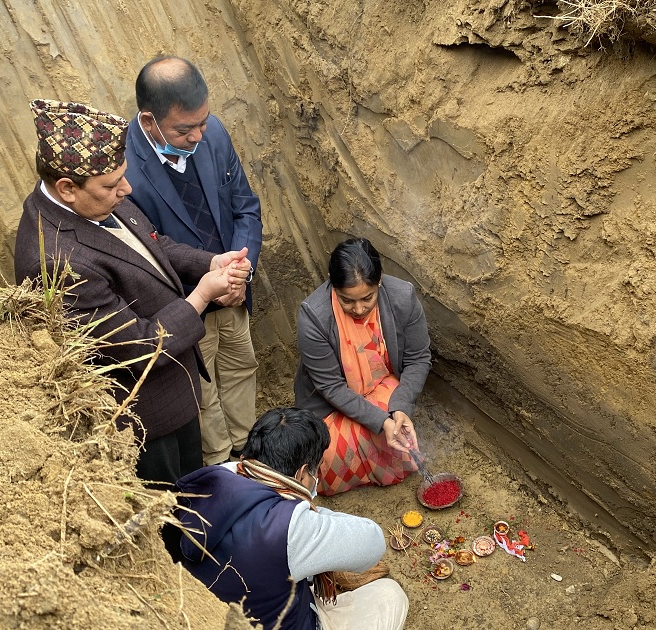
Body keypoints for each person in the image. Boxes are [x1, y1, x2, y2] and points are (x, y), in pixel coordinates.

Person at [14, 99, 251, 485]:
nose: (126, 189)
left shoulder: (97, 199)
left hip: (176, 391)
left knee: (199, 488)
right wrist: (202, 296)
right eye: (112, 184)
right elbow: (138, 346)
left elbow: (153, 246)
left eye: (122, 176)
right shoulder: (57, 260)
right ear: (67, 188)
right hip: (147, 421)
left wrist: (208, 262)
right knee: (177, 509)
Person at [124, 56, 262, 466]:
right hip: (184, 304)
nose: (199, 135)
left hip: (233, 292)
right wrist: (210, 277)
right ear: (150, 122)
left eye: (203, 122)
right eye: (185, 129)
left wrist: (241, 270)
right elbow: (151, 246)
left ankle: (249, 448)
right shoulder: (122, 169)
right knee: (201, 395)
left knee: (241, 367)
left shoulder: (213, 133)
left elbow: (246, 209)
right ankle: (222, 465)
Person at [175, 407, 409, 630]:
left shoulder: (213, 478)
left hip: (209, 618)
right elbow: (373, 542)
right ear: (301, 473)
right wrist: (309, 514)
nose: (316, 477)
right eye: (315, 470)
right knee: (390, 595)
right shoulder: (290, 528)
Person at [294, 237, 432, 495]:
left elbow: (418, 358)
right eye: (347, 301)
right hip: (331, 404)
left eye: (367, 298)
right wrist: (381, 421)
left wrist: (400, 406)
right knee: (328, 460)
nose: (358, 309)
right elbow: (331, 387)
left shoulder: (403, 297)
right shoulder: (313, 316)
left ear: (379, 280)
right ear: (332, 284)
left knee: (397, 437)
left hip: (383, 386)